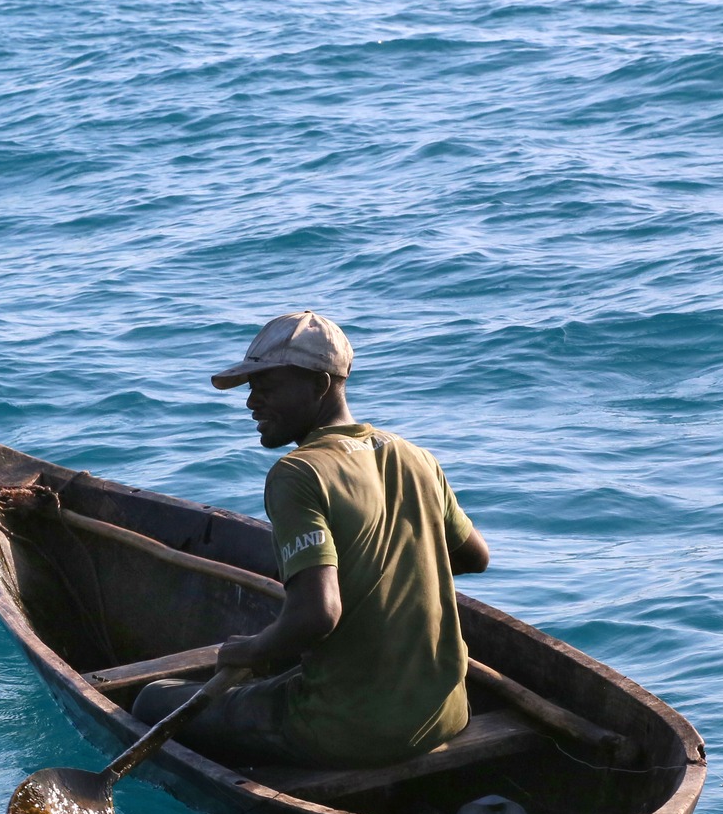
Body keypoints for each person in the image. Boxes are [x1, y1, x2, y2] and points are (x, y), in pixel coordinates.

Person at [132, 310, 489, 768]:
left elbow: (318, 615)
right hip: (447, 713)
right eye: (251, 389)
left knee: (151, 701)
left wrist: (251, 649)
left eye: (267, 387)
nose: (251, 404)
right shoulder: (414, 456)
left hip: (346, 728)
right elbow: (474, 557)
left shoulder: (299, 473)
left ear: (320, 385)